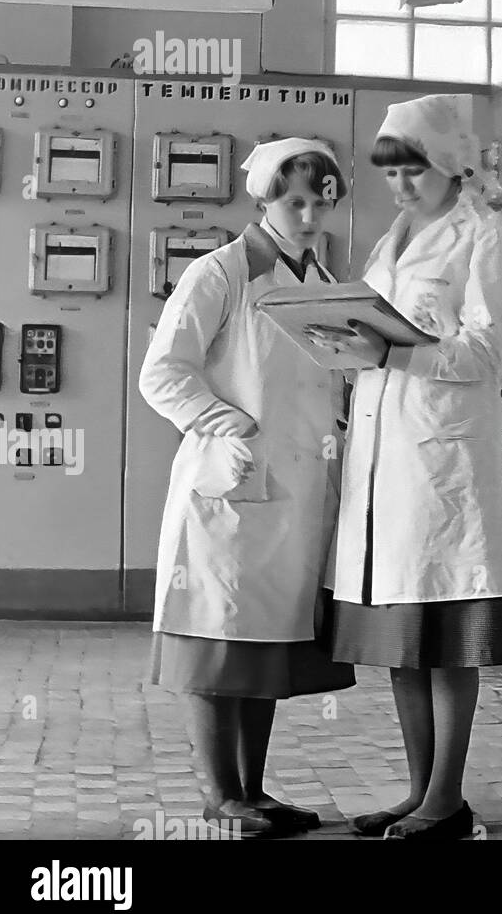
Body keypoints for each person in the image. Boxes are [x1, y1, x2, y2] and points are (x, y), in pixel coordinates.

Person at [312, 94, 502, 842]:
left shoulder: (485, 235)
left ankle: (447, 801)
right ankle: (416, 794)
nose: (398, 187)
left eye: (411, 171)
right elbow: (377, 336)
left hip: (441, 467)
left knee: (444, 641)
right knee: (404, 642)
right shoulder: (392, 239)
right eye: (389, 173)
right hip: (383, 460)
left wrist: (393, 351)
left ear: (447, 163)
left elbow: (487, 353)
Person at [139, 137, 356, 837]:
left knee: (264, 648)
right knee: (215, 642)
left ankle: (253, 794)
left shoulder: (325, 280)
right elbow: (163, 373)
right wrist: (223, 421)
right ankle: (219, 798)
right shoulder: (217, 274)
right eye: (293, 199)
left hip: (297, 495)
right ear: (263, 198)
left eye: (319, 198)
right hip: (230, 486)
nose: (307, 211)